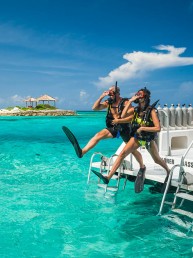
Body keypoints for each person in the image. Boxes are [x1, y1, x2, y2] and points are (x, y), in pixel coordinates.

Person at [92, 87, 170, 193]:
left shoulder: (151, 111)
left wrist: (142, 128)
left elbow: (158, 128)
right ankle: (108, 178)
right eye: (137, 94)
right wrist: (131, 101)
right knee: (122, 153)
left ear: (145, 97)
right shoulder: (136, 109)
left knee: (157, 159)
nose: (137, 95)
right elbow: (122, 115)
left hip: (148, 138)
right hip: (137, 137)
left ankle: (168, 171)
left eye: (140, 94)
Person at [62, 84, 145, 172]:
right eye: (109, 93)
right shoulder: (108, 102)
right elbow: (94, 108)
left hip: (125, 128)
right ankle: (82, 152)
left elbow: (132, 117)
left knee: (132, 150)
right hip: (114, 127)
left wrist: (120, 120)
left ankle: (142, 167)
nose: (110, 95)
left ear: (117, 93)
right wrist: (101, 97)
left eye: (111, 93)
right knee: (98, 135)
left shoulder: (125, 102)